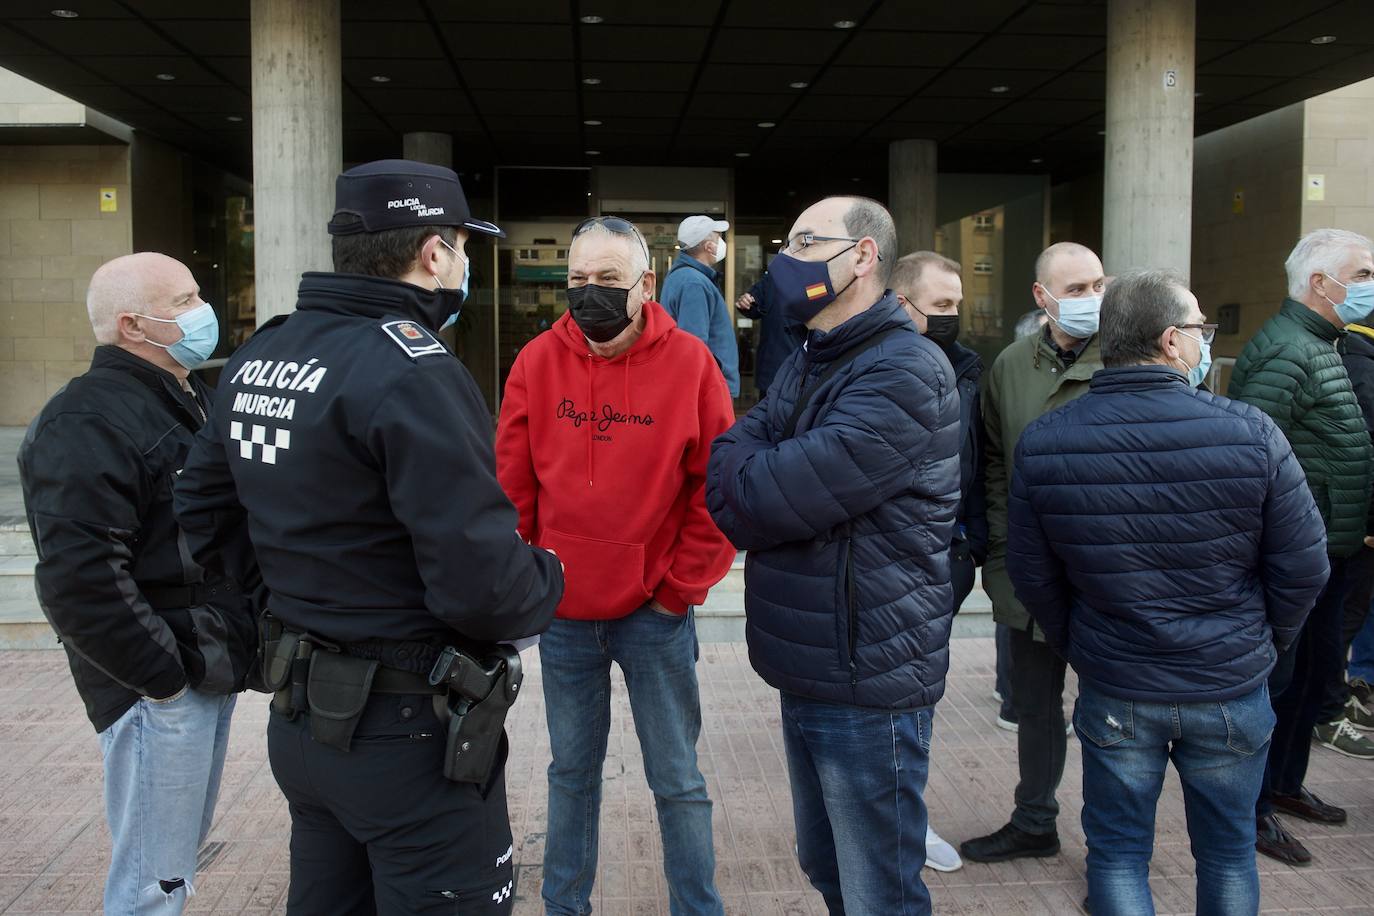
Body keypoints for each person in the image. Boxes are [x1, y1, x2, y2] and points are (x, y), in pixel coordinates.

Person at [174, 160, 564, 914]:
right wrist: (547, 576)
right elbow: (483, 585)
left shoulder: (266, 351)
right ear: (433, 253)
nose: (463, 264)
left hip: (304, 722)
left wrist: (292, 601)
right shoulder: (412, 369)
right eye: (461, 246)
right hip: (405, 730)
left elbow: (202, 507)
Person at [1008, 268, 1329, 915]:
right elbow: (1303, 565)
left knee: (1118, 854)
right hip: (1227, 679)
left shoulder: (1046, 440)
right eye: (1199, 328)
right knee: (1229, 852)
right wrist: (1266, 640)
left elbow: (1033, 575)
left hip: (1120, 681)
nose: (1204, 339)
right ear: (1170, 340)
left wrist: (1082, 644)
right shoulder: (1250, 431)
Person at [707, 197, 960, 914]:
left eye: (805, 243)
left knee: (879, 889)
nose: (785, 260)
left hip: (867, 675)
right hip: (815, 664)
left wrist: (750, 466)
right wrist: (748, 465)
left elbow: (757, 493)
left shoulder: (905, 370)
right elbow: (730, 457)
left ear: (863, 257)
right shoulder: (815, 356)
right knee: (827, 867)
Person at [494, 215, 737, 915]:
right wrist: (532, 581)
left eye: (608, 278)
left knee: (677, 779)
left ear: (646, 285)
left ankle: (697, 908)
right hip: (565, 615)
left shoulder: (691, 364)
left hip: (654, 615)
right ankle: (564, 907)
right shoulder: (537, 361)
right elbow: (513, 488)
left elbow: (716, 489)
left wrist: (678, 590)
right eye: (578, 279)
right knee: (571, 775)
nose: (589, 292)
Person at [18, 252, 259, 914]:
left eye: (197, 295)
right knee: (152, 882)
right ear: (132, 325)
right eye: (183, 303)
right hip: (158, 685)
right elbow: (78, 579)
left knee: (173, 861)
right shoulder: (86, 420)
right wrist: (164, 679)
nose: (203, 312)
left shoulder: (188, 396)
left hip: (202, 663)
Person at [1228, 227, 1374, 866]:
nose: (1370, 286)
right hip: (1296, 555)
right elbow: (1252, 459)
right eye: (1362, 274)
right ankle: (1252, 810)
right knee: (1280, 684)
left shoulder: (1324, 342)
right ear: (1320, 283)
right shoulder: (1287, 349)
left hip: (1333, 550)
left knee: (1314, 676)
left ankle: (1285, 786)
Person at [962, 241, 1106, 865]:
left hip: (1108, 574)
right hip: (1030, 570)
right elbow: (995, 465)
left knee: (1111, 714)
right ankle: (1034, 821)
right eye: (1076, 290)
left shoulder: (1127, 354)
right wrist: (1003, 554)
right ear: (1042, 297)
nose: (1091, 299)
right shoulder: (1011, 365)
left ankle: (1112, 844)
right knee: (1036, 708)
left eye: (1098, 285)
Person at [891, 250, 986, 874]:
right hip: (882, 561)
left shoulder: (970, 372)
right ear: (902, 305)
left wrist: (971, 545)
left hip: (945, 558)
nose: (952, 316)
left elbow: (981, 461)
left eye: (957, 304)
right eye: (940, 305)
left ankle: (910, 821)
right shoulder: (870, 368)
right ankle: (852, 821)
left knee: (920, 699)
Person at [1320, 311, 1374, 732]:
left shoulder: (1345, 358)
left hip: (1346, 518)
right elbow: (1364, 451)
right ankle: (1329, 706)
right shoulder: (1362, 369)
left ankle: (1332, 698)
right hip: (1354, 524)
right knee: (1343, 615)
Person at [661, 214, 740, 397]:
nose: (721, 243)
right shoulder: (693, 283)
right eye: (718, 238)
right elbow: (694, 345)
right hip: (710, 388)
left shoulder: (685, 277)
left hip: (708, 386)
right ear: (708, 246)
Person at [736, 267, 797, 399]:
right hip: (773, 367)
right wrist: (746, 301)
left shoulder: (818, 281)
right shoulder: (774, 278)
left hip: (804, 369)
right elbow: (752, 304)